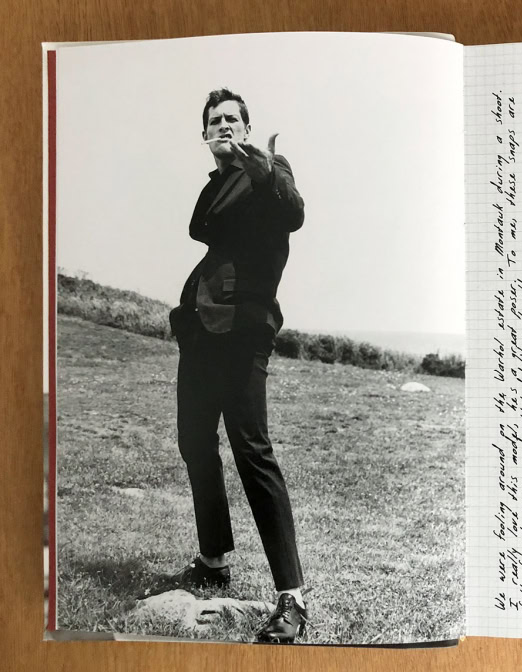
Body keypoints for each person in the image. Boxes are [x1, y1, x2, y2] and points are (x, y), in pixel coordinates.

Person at [162, 88, 307, 643]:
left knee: (252, 450)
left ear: (247, 126)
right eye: (214, 122)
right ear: (205, 134)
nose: (224, 126)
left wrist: (261, 167)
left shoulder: (272, 174)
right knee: (194, 441)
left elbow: (293, 212)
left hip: (244, 333)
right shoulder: (216, 186)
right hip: (201, 330)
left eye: (232, 120)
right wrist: (225, 168)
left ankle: (291, 599)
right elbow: (201, 230)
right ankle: (214, 559)